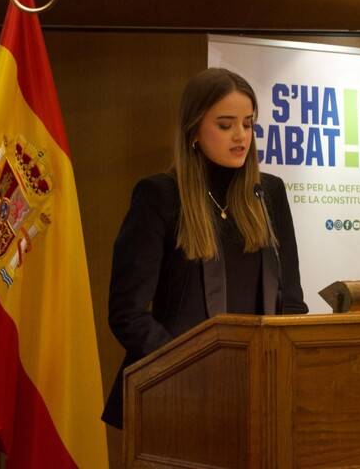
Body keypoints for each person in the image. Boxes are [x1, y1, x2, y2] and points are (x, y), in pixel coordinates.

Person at [101, 68, 308, 429]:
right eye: (226, 125)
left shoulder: (269, 193)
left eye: (248, 123)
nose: (241, 136)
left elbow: (291, 301)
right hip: (175, 395)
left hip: (260, 393)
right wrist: (187, 370)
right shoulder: (160, 196)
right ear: (194, 130)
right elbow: (127, 314)